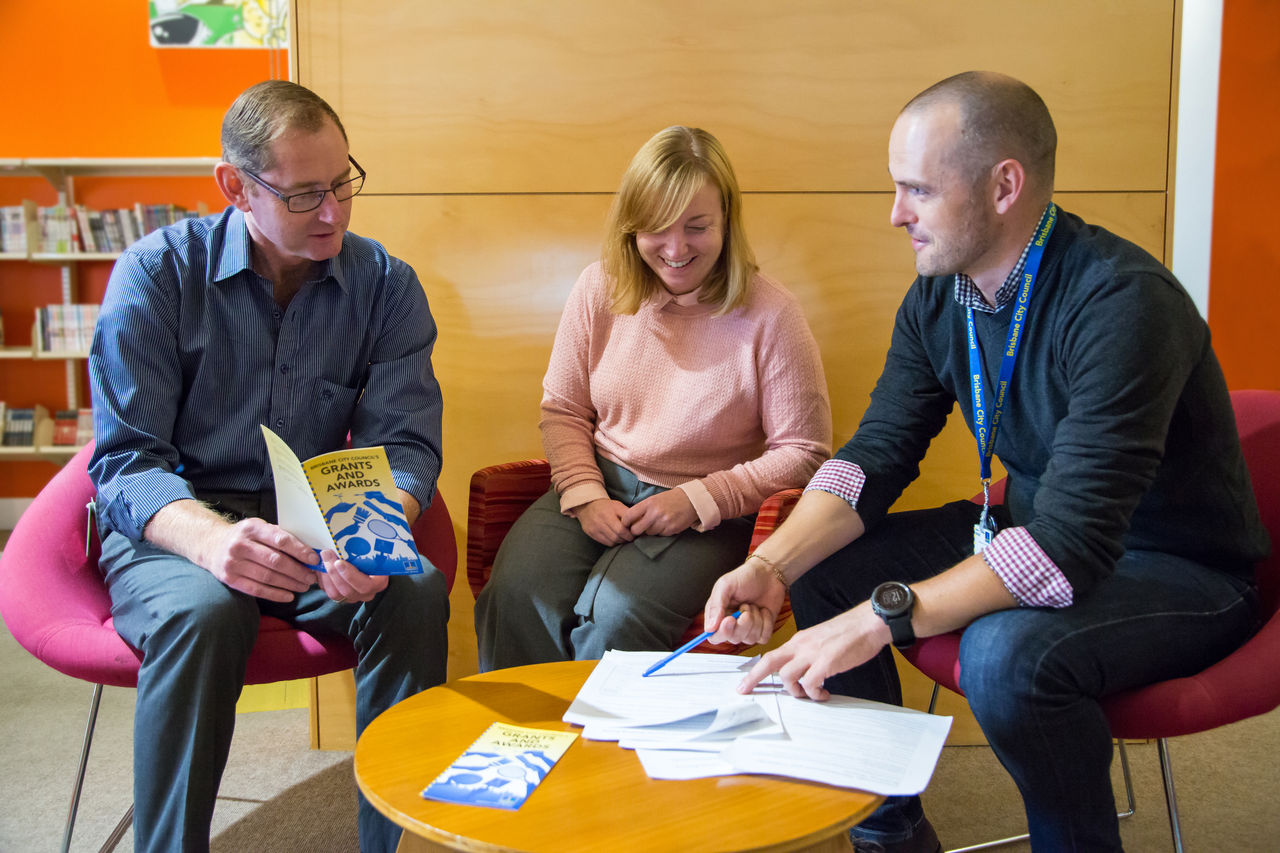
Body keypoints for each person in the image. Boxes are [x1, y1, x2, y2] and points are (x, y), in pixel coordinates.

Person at [703, 71, 1269, 853]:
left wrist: (880, 618)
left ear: (1005, 186)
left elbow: (1070, 546)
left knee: (1004, 656)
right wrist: (770, 561)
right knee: (824, 571)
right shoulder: (942, 294)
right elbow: (875, 457)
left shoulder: (1124, 303)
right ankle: (888, 830)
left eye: (917, 191)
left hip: (1181, 568)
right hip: (1039, 524)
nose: (895, 214)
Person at [88, 80, 449, 853]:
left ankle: (391, 843)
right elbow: (124, 462)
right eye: (304, 194)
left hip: (314, 520)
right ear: (234, 186)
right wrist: (214, 541)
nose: (333, 214)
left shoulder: (386, 285)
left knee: (413, 590)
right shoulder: (156, 277)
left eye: (343, 183)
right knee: (203, 611)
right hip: (178, 523)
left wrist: (372, 538)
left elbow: (405, 444)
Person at [475, 126, 831, 670]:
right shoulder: (599, 288)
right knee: (517, 594)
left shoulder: (771, 313)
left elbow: (806, 453)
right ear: (631, 227)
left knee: (616, 622)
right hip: (601, 483)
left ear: (728, 222)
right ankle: (525, 747)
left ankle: (604, 754)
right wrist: (585, 494)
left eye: (697, 227)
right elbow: (564, 410)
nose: (676, 249)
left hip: (708, 512)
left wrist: (698, 500)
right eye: (656, 229)